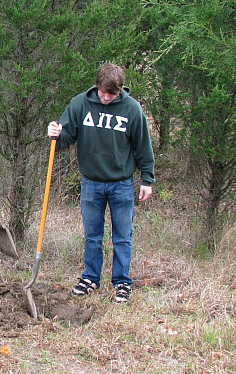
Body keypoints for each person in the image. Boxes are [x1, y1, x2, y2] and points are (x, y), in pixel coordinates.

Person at [47, 62, 155, 303]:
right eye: (103, 92)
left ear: (119, 90)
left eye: (112, 94)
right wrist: (55, 133)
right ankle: (90, 278)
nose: (106, 98)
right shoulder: (80, 104)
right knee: (92, 235)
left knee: (122, 236)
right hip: (91, 183)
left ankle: (122, 283)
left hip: (122, 184)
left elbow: (143, 147)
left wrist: (147, 179)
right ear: (97, 87)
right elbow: (65, 137)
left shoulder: (132, 109)